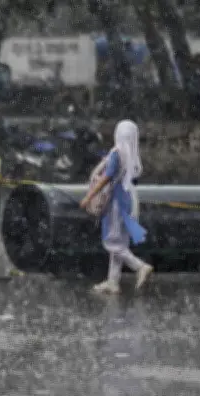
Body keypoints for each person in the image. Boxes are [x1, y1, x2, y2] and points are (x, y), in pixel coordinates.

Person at [80, 120, 154, 294]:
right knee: (119, 241)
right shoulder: (131, 156)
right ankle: (113, 281)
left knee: (112, 242)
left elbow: (106, 178)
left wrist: (88, 197)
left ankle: (140, 266)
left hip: (114, 203)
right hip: (127, 200)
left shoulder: (117, 153)